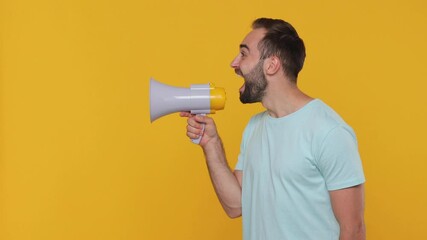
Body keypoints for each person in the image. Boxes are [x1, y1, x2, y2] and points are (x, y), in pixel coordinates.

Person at [180, 18, 366, 240]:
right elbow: (235, 205)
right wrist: (211, 143)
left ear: (272, 65)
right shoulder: (254, 127)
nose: (234, 63)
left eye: (244, 53)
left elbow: (353, 230)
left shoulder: (329, 132)